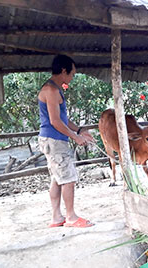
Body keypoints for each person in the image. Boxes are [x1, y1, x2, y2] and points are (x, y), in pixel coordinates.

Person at [38, 54, 95, 228]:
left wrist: (80, 130)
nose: (72, 78)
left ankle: (56, 217)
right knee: (68, 178)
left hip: (53, 139)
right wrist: (75, 137)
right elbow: (55, 122)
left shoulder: (55, 88)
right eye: (71, 74)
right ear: (63, 71)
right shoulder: (51, 90)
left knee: (57, 178)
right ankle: (70, 217)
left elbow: (63, 119)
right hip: (54, 140)